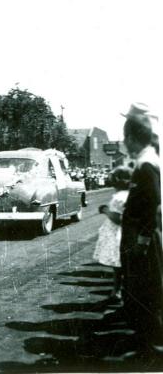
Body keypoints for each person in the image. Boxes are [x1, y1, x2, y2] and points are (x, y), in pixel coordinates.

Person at [120, 108, 163, 355]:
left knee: (146, 289)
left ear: (133, 138)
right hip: (138, 238)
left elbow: (152, 203)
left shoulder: (148, 164)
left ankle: (149, 345)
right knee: (139, 288)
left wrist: (143, 240)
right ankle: (144, 340)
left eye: (126, 138)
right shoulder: (145, 161)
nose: (125, 143)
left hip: (142, 240)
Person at [93, 166, 132, 300]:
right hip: (122, 233)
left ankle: (118, 292)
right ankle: (117, 291)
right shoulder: (128, 194)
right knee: (119, 266)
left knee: (119, 265)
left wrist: (105, 210)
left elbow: (119, 218)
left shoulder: (120, 197)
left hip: (118, 234)